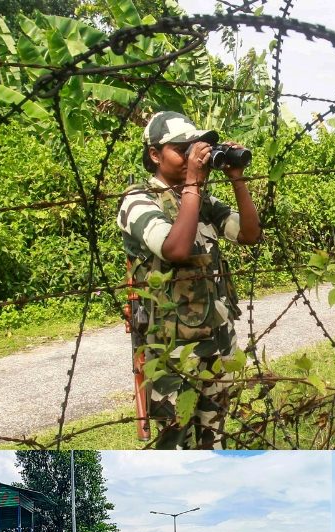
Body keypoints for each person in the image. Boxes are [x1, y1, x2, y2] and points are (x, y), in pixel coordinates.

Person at [116, 111, 261, 449]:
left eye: (197, 149)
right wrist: (194, 184)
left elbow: (250, 234)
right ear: (155, 155)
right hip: (173, 349)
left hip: (217, 338)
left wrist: (237, 179)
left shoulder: (200, 200)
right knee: (176, 444)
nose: (192, 157)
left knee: (218, 436)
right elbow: (176, 248)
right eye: (181, 150)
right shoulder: (138, 200)